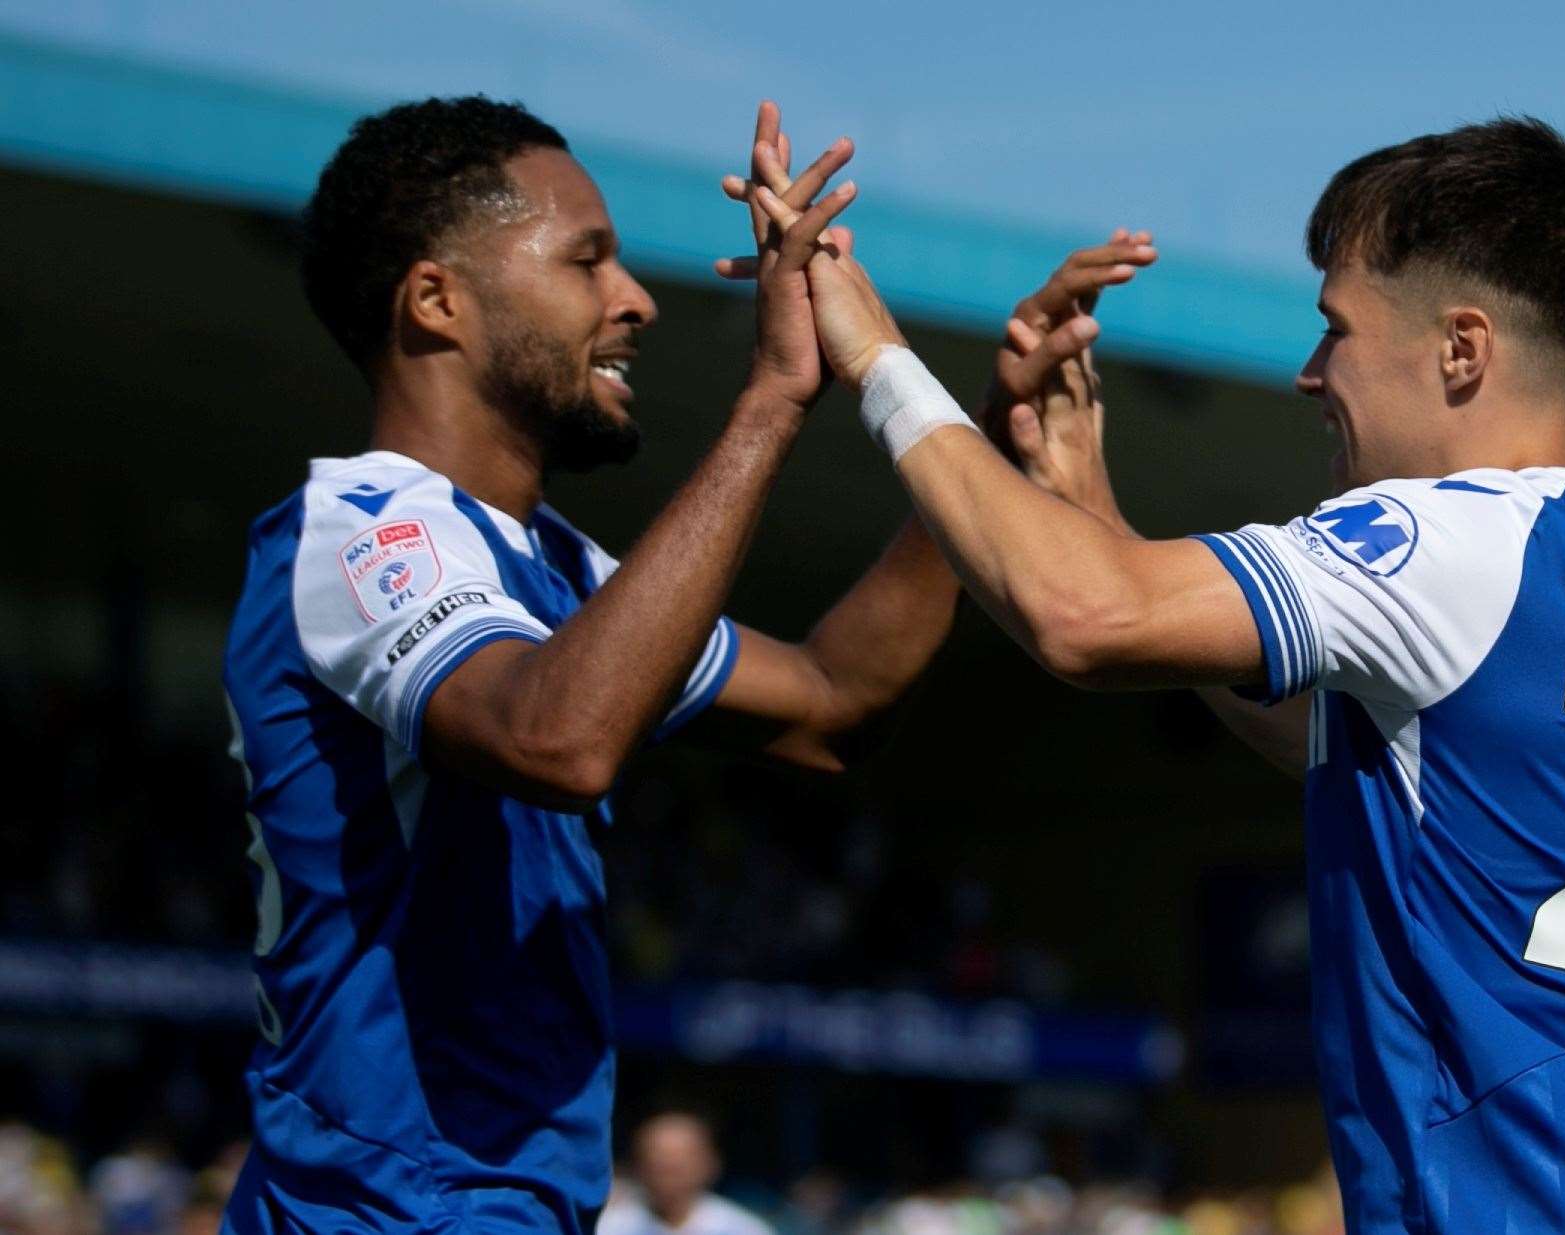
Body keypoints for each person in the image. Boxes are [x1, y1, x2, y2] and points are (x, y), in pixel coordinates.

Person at [769, 117, 1565, 1233]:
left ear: (1461, 348)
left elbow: (1083, 616)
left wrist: (874, 356)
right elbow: (1368, 753)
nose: (1309, 371)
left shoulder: (1449, 537)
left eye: (1336, 329)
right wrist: (1091, 509)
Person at [219, 96, 1152, 1235]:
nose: (637, 299)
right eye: (586, 260)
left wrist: (978, 429)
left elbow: (830, 703)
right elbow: (556, 738)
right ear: (436, 300)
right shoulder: (363, 529)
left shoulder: (560, 570)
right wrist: (768, 401)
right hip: (380, 1213)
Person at [595, 1114, 769, 1235]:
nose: (668, 1170)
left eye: (680, 1163)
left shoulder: (743, 1229)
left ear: (711, 1164)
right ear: (637, 1165)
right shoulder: (608, 1227)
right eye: (658, 1160)